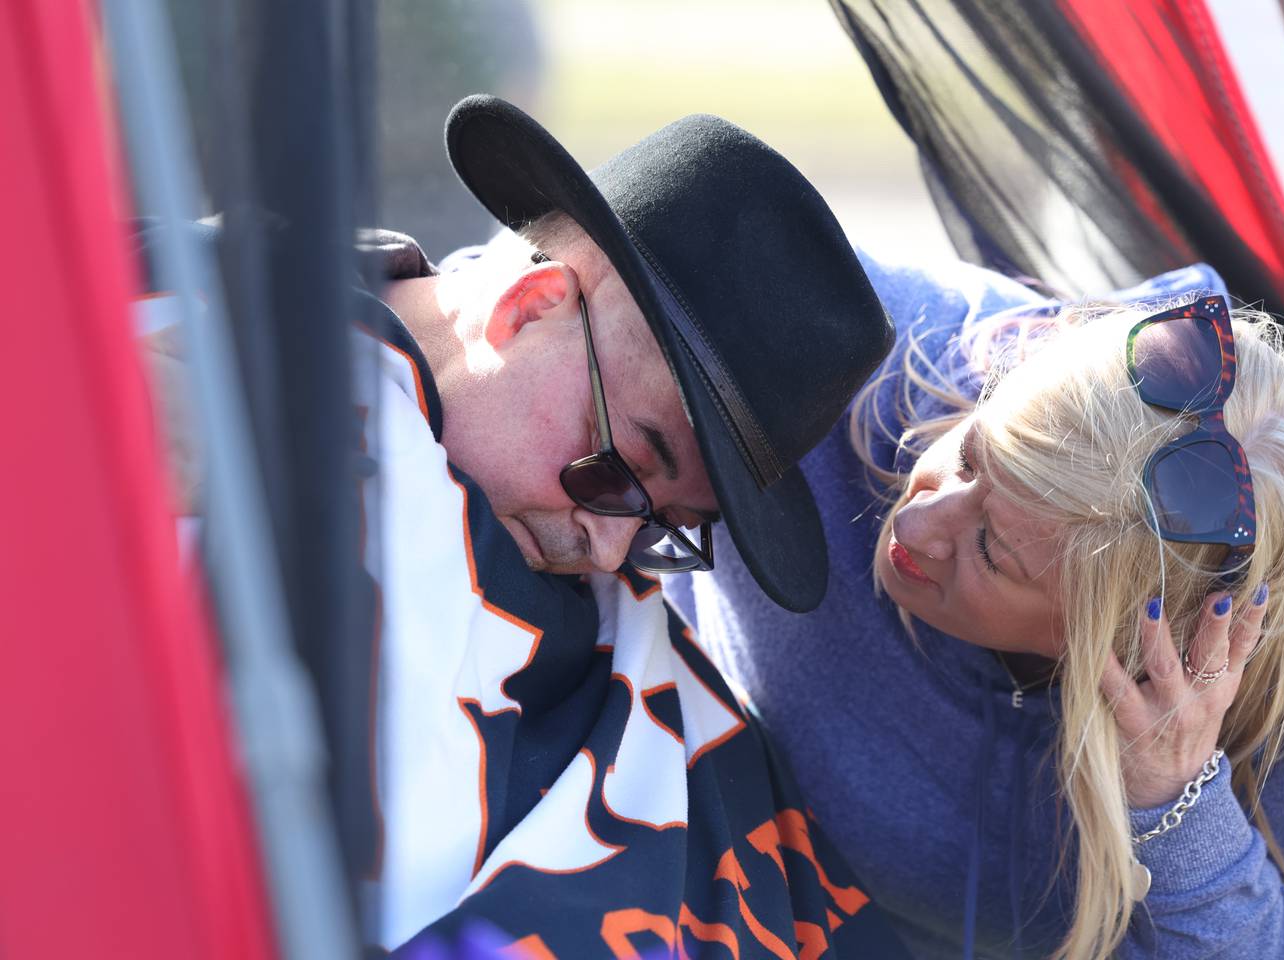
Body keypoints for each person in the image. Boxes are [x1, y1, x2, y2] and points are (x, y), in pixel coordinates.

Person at [137, 96, 911, 957]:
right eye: (615, 472)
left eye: (670, 528)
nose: (611, 547)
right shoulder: (164, 311)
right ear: (531, 307)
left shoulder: (611, 629)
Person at [672, 256, 1284, 959]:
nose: (917, 525)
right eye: (968, 456)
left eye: (995, 552)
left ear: (1122, 645)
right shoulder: (876, 336)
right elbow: (615, 261)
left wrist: (1174, 804)